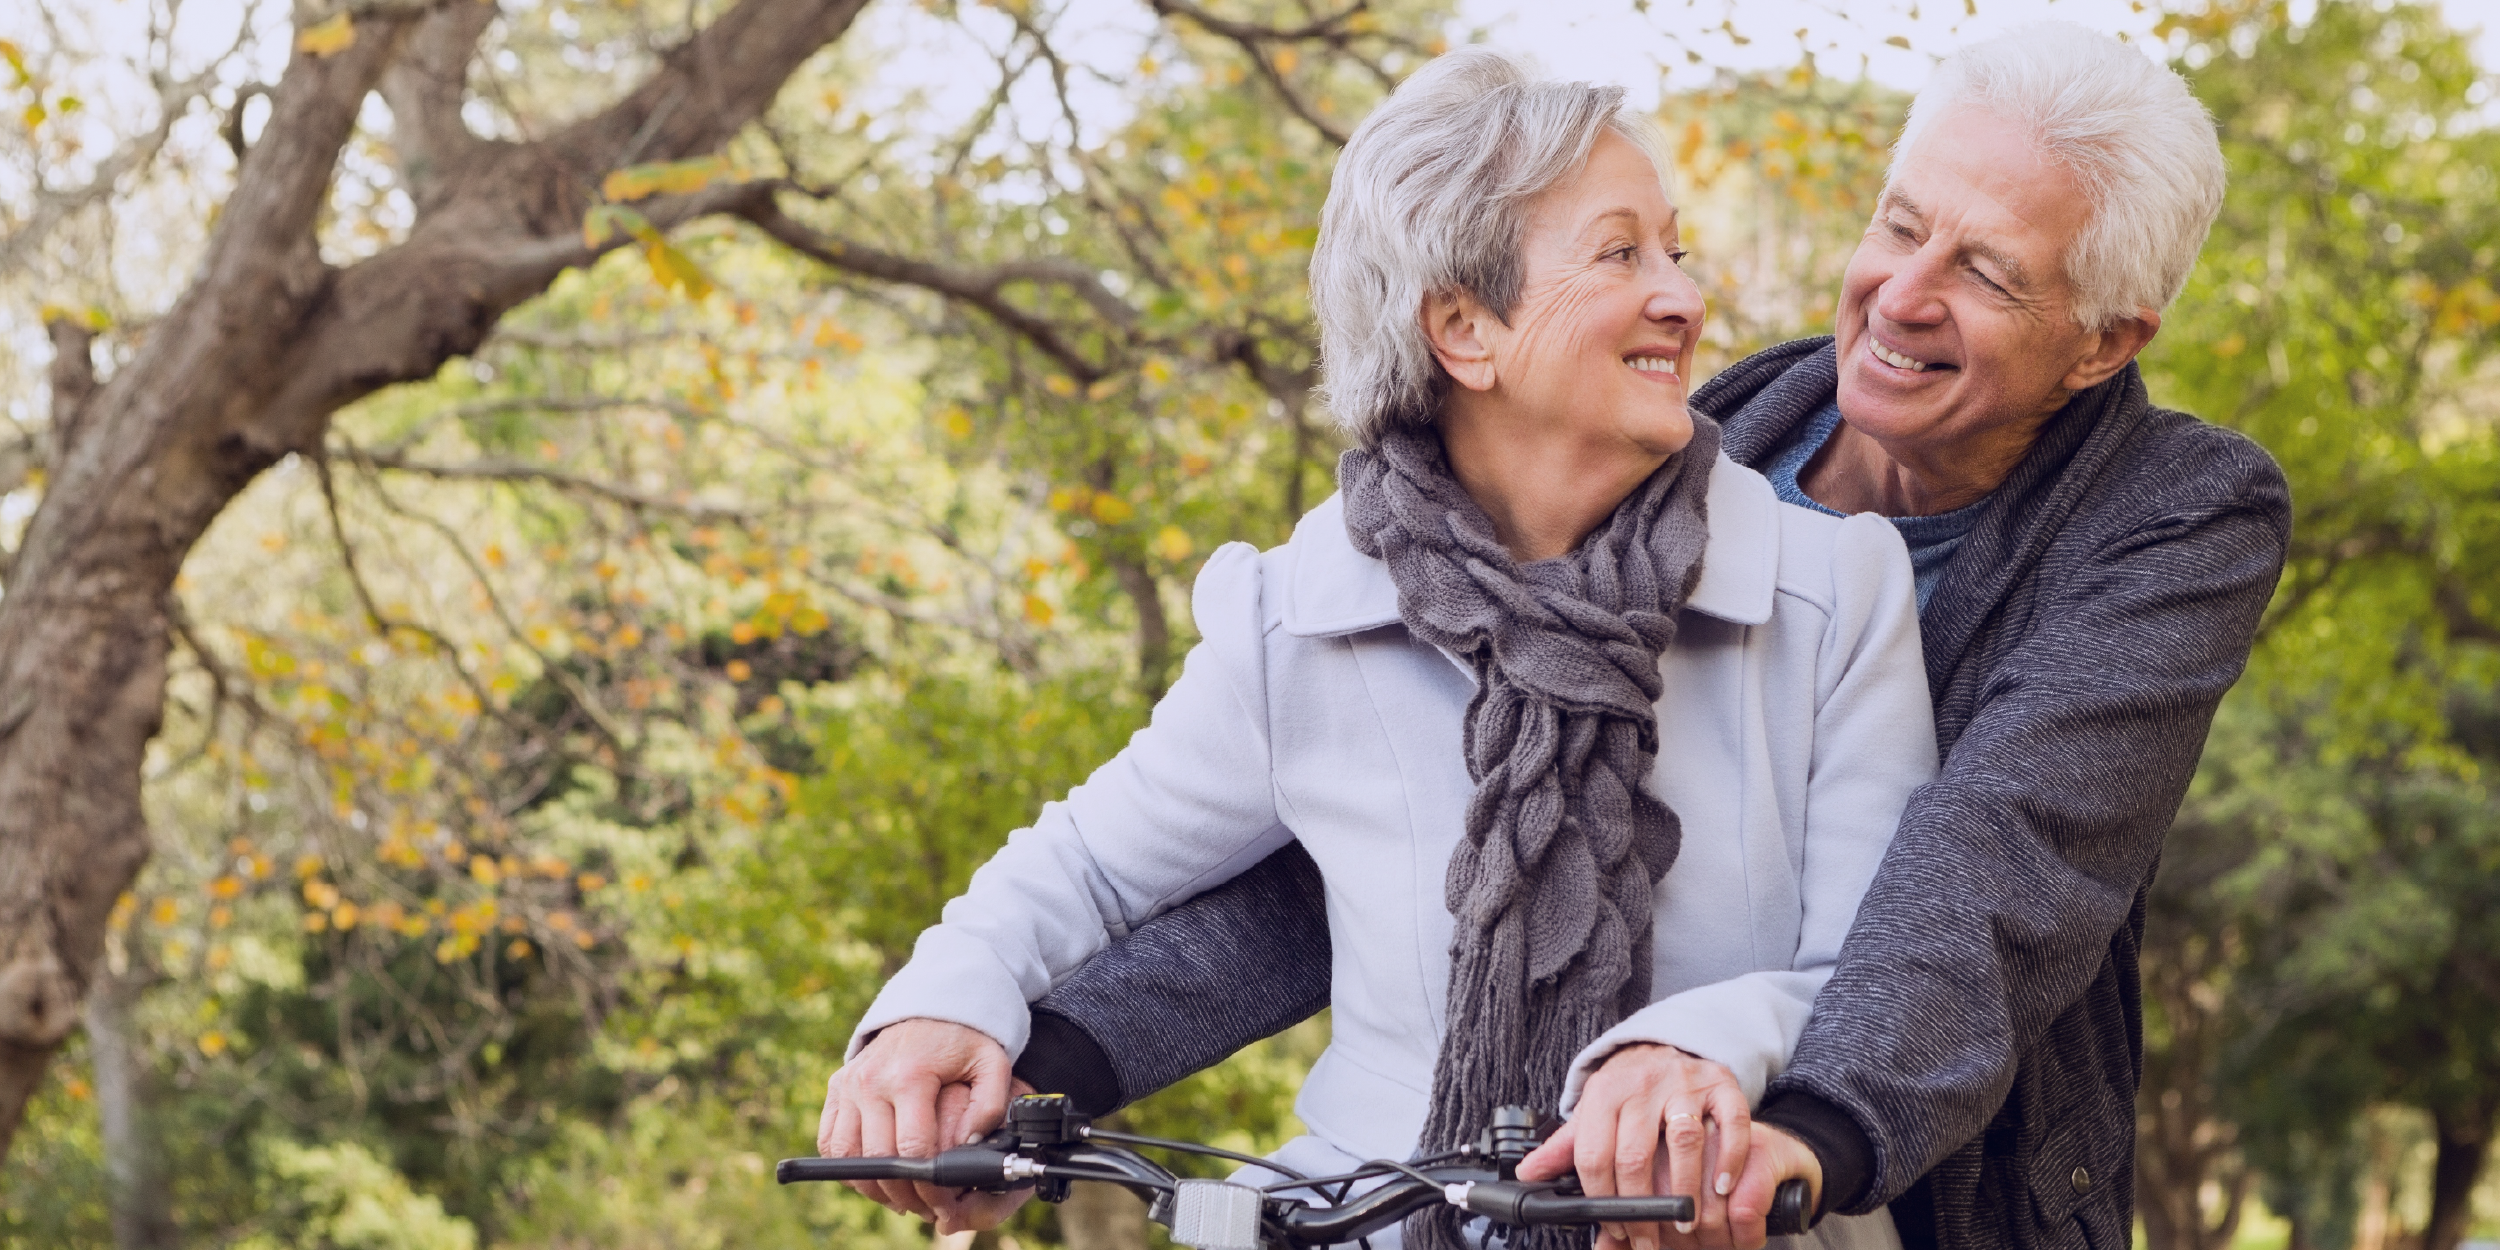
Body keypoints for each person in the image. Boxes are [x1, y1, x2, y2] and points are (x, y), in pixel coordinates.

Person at [838, 21, 2297, 1250]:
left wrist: (1784, 1123)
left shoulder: (2138, 524)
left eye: (1987, 272)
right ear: (1467, 333)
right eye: (1899, 226)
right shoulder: (1651, 453)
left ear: (2105, 338)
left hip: (1901, 1169)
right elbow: (1349, 855)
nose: (1901, 295)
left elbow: (1988, 866)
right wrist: (1017, 1051)